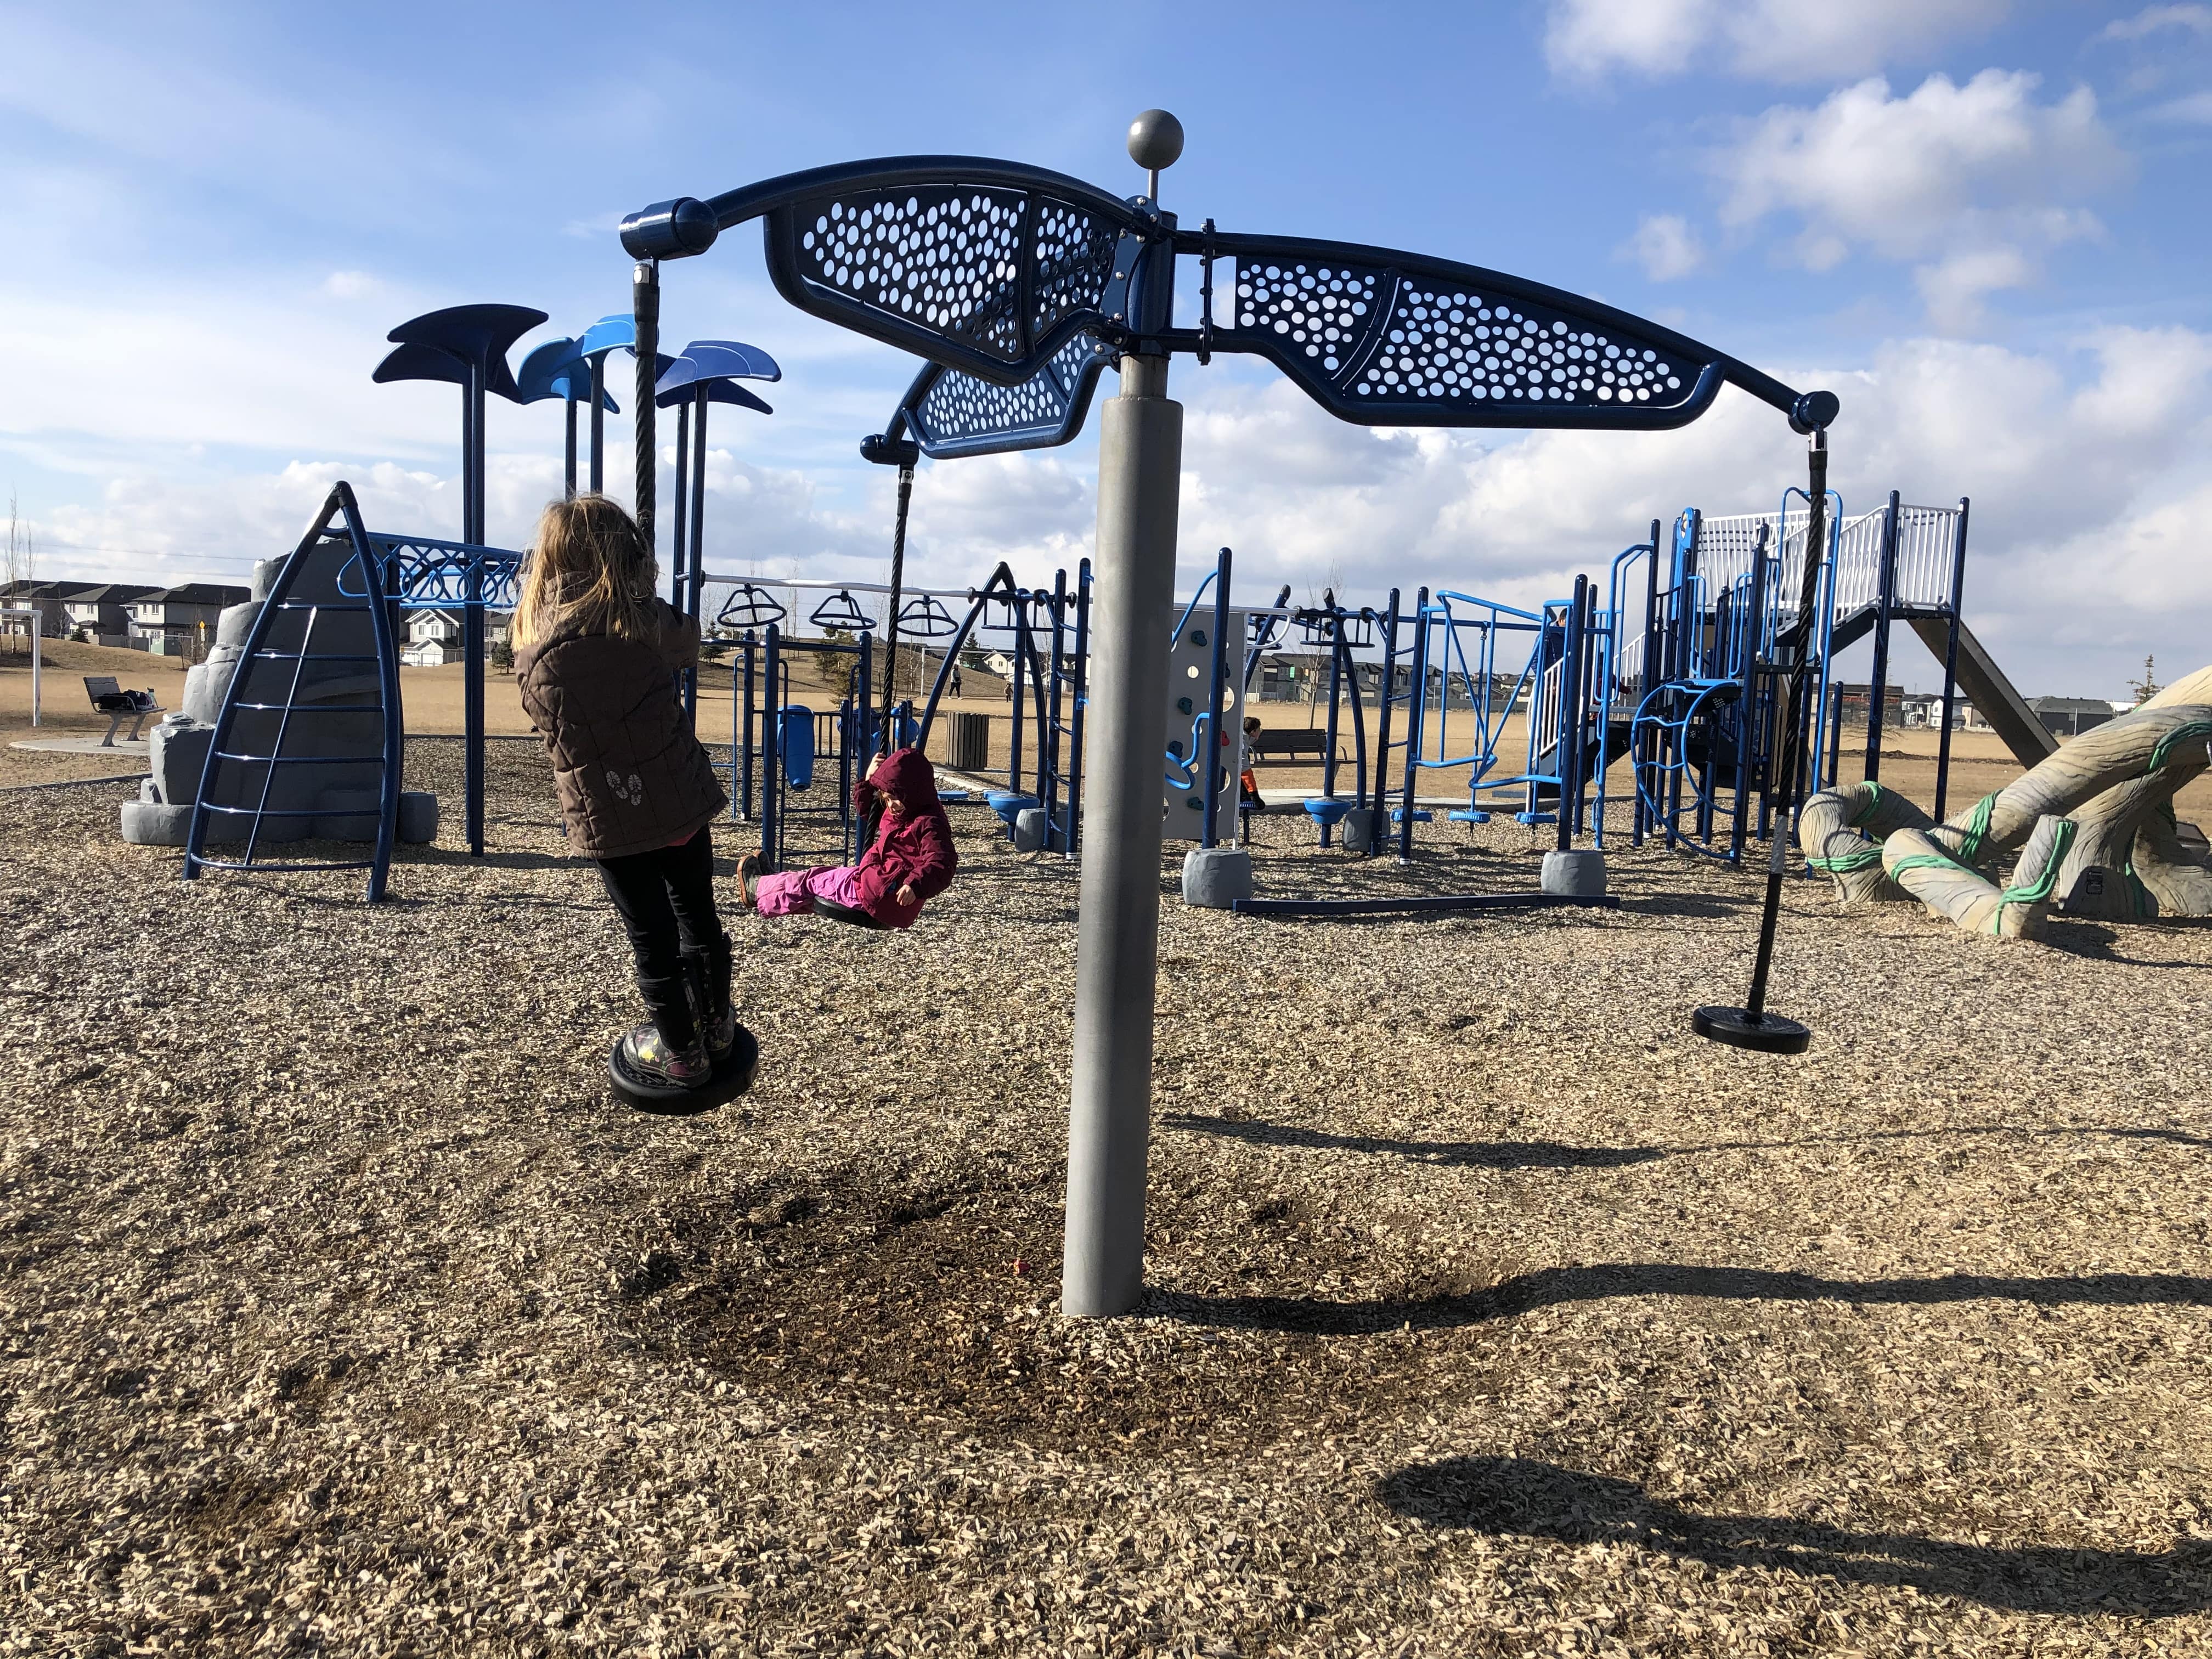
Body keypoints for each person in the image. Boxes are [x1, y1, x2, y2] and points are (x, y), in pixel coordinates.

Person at [513, 495, 736, 1089]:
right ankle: (717, 1026)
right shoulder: (643, 622)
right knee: (697, 912)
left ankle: (681, 1051)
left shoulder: (533, 641)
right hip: (679, 800)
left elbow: (542, 715)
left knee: (650, 934)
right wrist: (645, 594)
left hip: (608, 815)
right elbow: (690, 643)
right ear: (627, 557)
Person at [739, 747, 956, 928]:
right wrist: (869, 781)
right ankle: (769, 886)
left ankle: (757, 889)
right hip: (879, 884)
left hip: (882, 892)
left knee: (812, 880)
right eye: (887, 798)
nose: (891, 805)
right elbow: (869, 812)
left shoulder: (929, 823)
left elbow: (942, 862)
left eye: (896, 799)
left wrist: (915, 885)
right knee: (811, 894)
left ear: (914, 792)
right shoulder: (907, 811)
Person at [1240, 714, 1266, 811]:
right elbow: (1243, 766)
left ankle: (1244, 797)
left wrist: (1256, 737)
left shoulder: (1244, 736)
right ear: (1253, 732)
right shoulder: (1242, 742)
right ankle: (1250, 799)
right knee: (1247, 774)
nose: (1260, 732)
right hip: (1241, 767)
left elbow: (1249, 741)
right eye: (1259, 730)